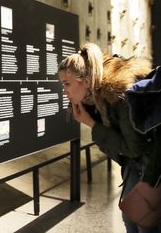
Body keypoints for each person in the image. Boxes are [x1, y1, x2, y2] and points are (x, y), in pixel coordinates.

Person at [58, 42, 161, 233]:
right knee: (131, 218)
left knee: (145, 222)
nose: (65, 92)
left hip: (152, 162)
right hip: (136, 163)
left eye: (67, 84)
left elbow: (133, 147)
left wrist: (91, 124)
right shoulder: (93, 99)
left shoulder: (120, 93)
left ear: (86, 82)